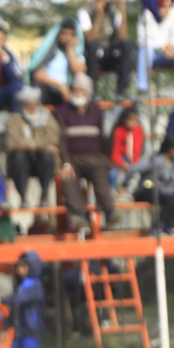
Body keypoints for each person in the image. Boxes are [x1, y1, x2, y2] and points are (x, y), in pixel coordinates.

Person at [55, 74, 116, 231]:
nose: (77, 92)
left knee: (101, 170)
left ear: (88, 92)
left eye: (81, 90)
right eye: (75, 89)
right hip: (72, 157)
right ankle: (78, 214)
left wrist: (106, 159)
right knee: (68, 176)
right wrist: (65, 162)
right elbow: (61, 141)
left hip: (94, 156)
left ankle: (109, 210)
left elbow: (104, 138)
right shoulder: (62, 111)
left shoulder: (97, 112)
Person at [2, 251, 46, 348]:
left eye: (23, 266)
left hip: (31, 332)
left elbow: (19, 300)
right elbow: (16, 307)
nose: (19, 269)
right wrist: (6, 326)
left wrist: (1, 300)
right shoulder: (21, 285)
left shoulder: (36, 286)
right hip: (19, 332)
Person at [5, 86, 61, 209]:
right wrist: (41, 145)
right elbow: (13, 143)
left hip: (41, 162)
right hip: (22, 163)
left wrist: (29, 145)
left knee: (48, 157)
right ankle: (23, 197)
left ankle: (44, 195)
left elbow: (53, 139)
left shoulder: (47, 118)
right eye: (28, 105)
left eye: (35, 104)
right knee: (19, 157)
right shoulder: (13, 120)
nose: (32, 108)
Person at [79, 0, 134, 98]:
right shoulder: (85, 11)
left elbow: (123, 37)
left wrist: (122, 11)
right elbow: (89, 39)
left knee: (127, 45)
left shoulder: (114, 10)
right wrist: (99, 14)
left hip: (109, 52)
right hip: (92, 55)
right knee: (93, 47)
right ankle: (91, 93)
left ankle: (121, 91)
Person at [125, 134, 174, 235]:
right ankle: (156, 228)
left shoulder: (172, 162)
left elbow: (170, 183)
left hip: (161, 192)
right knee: (172, 198)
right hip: (147, 190)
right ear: (172, 149)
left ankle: (166, 227)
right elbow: (134, 169)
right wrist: (124, 185)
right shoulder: (157, 161)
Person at [31, 19, 87, 106]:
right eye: (64, 33)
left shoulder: (77, 54)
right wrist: (60, 86)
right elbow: (38, 74)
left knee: (81, 81)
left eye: (71, 34)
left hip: (68, 91)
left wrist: (69, 49)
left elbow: (78, 72)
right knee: (37, 87)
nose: (67, 37)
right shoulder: (50, 51)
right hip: (49, 88)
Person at [110, 107, 143, 189]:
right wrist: (123, 164)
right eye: (130, 119)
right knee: (113, 175)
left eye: (135, 119)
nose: (133, 122)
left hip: (135, 160)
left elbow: (138, 148)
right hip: (121, 160)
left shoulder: (138, 129)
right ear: (124, 120)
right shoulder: (119, 130)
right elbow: (115, 152)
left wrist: (133, 164)